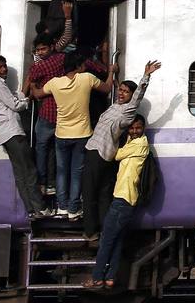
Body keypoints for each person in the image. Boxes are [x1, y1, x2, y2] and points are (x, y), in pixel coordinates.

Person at [83, 61, 159, 241]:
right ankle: (104, 229)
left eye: (126, 91)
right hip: (103, 152)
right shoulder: (115, 106)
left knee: (88, 192)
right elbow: (118, 90)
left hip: (98, 151)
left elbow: (138, 95)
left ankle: (90, 230)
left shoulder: (128, 111)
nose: (121, 93)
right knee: (102, 194)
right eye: (121, 90)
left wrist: (146, 75)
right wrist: (113, 73)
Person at [42, 51, 118, 219]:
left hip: (61, 134)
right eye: (83, 64)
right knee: (76, 172)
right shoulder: (87, 78)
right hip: (82, 134)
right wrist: (112, 70)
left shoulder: (55, 83)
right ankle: (73, 208)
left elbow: (39, 93)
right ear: (78, 66)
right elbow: (106, 89)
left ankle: (62, 206)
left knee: (62, 171)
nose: (85, 67)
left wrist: (31, 86)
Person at [27, 37, 106, 198]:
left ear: (50, 47)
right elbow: (94, 68)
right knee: (74, 169)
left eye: (42, 49)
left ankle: (46, 184)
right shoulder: (79, 71)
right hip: (74, 125)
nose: (40, 53)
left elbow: (34, 86)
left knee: (43, 149)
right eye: (38, 50)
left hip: (50, 116)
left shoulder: (42, 69)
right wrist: (107, 69)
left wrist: (33, 87)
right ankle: (72, 203)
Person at [88, 115, 153, 290]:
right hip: (126, 199)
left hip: (123, 199)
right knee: (116, 241)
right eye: (131, 128)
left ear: (143, 128)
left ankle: (96, 278)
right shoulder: (135, 143)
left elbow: (116, 155)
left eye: (138, 128)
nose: (134, 131)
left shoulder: (139, 144)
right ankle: (110, 278)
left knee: (107, 240)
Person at [0, 54, 48, 220]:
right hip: (13, 132)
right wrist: (28, 99)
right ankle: (40, 208)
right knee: (29, 171)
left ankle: (31, 210)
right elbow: (15, 105)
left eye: (4, 66)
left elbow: (13, 98)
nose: (3, 69)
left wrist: (25, 88)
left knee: (20, 173)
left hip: (5, 134)